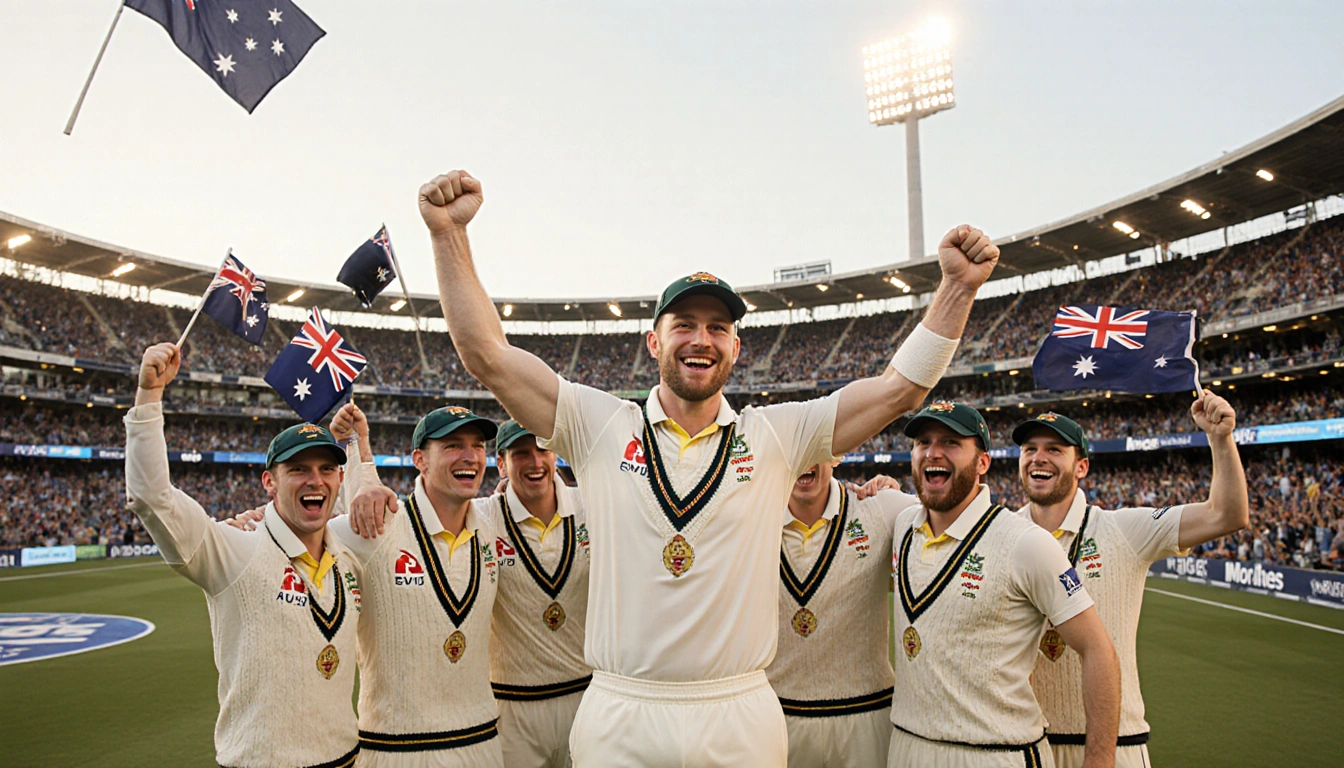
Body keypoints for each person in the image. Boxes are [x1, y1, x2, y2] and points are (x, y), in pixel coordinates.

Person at [417, 168, 999, 767]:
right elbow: (487, 355)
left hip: (738, 709)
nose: (702, 339)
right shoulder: (600, 426)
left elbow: (897, 393)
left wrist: (957, 288)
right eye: (685, 326)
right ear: (653, 342)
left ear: (736, 347)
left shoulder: (775, 434)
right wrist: (448, 236)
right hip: (623, 708)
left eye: (719, 328)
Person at [123, 343, 360, 768]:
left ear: (340, 478)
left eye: (327, 469)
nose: (316, 480)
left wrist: (367, 462)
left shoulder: (349, 554)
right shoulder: (236, 548)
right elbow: (151, 498)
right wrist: (148, 398)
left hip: (347, 760)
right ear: (269, 481)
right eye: (299, 470)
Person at [1011, 397, 1249, 768]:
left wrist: (1221, 440)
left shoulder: (1123, 529)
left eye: (1054, 449)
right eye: (1030, 449)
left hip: (1115, 746)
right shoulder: (1001, 534)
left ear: (1081, 467)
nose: (1038, 457)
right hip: (1022, 747)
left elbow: (1226, 515)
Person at [889, 402, 1120, 768]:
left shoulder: (1026, 543)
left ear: (982, 462)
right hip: (906, 746)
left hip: (995, 752)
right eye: (923, 441)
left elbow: (1098, 651)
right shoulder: (901, 525)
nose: (933, 452)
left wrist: (1100, 760)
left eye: (950, 442)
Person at [334, 405, 505, 766]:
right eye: (453, 445)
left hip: (482, 745)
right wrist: (252, 519)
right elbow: (308, 525)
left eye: (477, 446)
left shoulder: (493, 527)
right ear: (419, 459)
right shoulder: (379, 524)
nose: (470, 457)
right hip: (396, 750)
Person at [766, 462, 918, 768]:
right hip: (778, 720)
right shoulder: (751, 516)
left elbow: (954, 515)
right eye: (797, 448)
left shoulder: (880, 508)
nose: (804, 460)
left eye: (816, 447)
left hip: (867, 718)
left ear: (836, 454)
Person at [488, 420, 592, 768]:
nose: (535, 462)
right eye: (520, 454)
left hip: (588, 698)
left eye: (542, 450)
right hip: (513, 707)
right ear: (501, 464)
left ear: (556, 453)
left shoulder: (592, 506)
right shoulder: (482, 518)